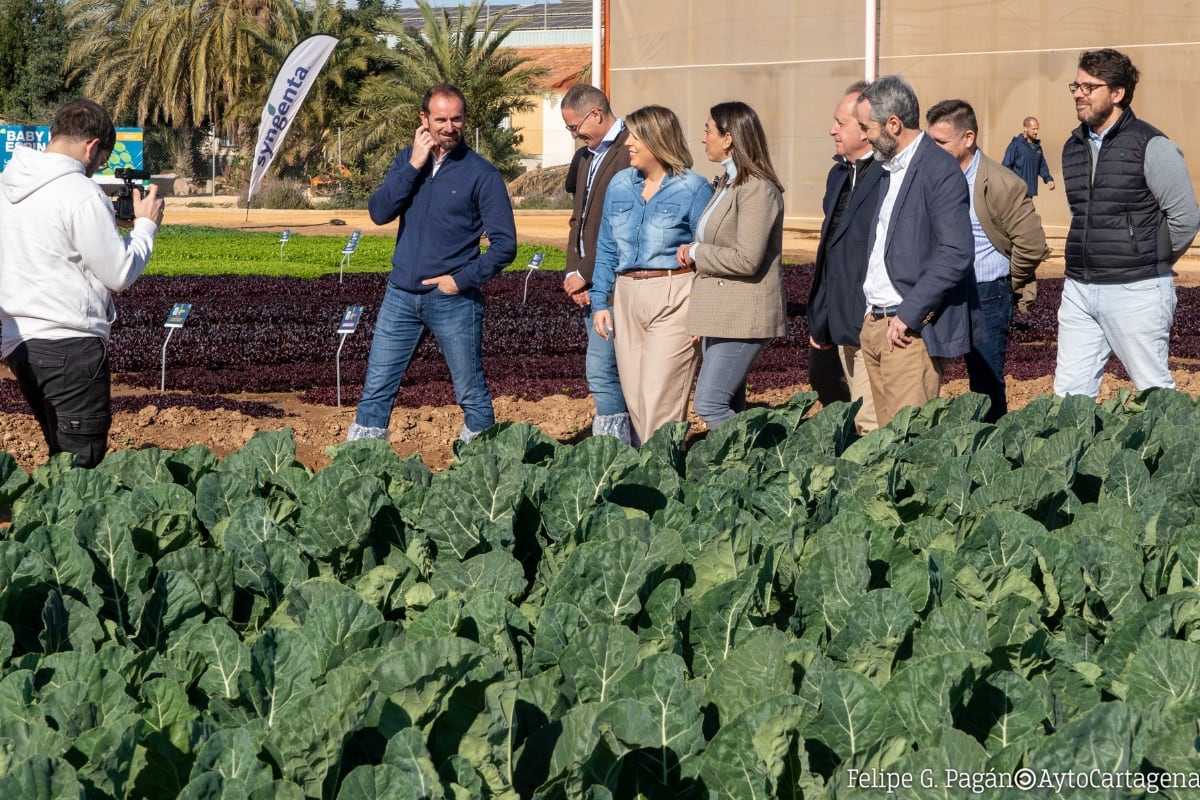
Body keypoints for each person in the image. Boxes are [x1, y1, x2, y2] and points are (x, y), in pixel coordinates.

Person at [348, 84, 517, 444]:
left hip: (452, 300)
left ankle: (483, 467)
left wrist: (460, 280)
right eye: (440, 118)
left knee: (471, 390)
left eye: (456, 119)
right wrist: (413, 165)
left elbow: (505, 245)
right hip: (400, 297)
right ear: (424, 119)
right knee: (376, 389)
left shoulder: (482, 174)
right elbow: (379, 212)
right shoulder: (406, 162)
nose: (449, 126)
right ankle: (359, 464)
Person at [0, 98, 164, 468]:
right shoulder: (79, 192)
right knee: (80, 468)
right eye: (101, 160)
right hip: (70, 348)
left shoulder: (6, 185)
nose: (96, 169)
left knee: (61, 462)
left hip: (19, 343)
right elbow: (119, 274)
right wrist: (146, 227)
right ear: (93, 146)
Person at [1055, 48, 1200, 398]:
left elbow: (1185, 218)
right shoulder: (1071, 147)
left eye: (1089, 86)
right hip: (1079, 288)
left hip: (1136, 290)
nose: (1078, 93)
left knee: (1154, 391)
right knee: (1069, 395)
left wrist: (1149, 257)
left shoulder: (1152, 145)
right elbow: (1084, 215)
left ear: (1117, 93)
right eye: (1075, 85)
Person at [853, 75, 976, 428]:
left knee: (908, 444)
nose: (863, 135)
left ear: (893, 124)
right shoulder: (886, 169)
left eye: (867, 127)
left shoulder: (939, 169)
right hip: (875, 323)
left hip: (907, 332)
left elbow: (956, 252)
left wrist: (909, 314)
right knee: (881, 443)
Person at [589, 105, 713, 444]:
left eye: (636, 136)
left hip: (674, 295)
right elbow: (607, 248)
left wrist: (702, 314)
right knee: (637, 402)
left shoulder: (693, 188)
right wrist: (600, 301)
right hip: (627, 297)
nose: (628, 142)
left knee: (660, 401)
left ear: (658, 141)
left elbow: (708, 255)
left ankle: (662, 479)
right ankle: (654, 477)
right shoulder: (619, 185)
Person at [926, 99, 1050, 422]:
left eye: (941, 142)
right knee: (924, 373)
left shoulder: (1000, 183)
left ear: (968, 138)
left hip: (987, 295)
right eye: (930, 141)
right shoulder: (932, 178)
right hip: (943, 291)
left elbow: (1032, 244)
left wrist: (1014, 279)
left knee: (985, 380)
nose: (932, 149)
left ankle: (993, 447)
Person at [677, 101, 786, 428]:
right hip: (722, 315)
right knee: (730, 404)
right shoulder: (728, 183)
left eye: (708, 130)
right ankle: (742, 474)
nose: (702, 138)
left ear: (729, 138)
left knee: (710, 404)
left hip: (742, 315)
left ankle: (761, 462)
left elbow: (747, 258)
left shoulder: (756, 189)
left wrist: (697, 253)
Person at [807, 80, 886, 432]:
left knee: (870, 421)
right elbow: (831, 254)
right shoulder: (838, 175)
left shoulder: (887, 176)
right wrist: (821, 316)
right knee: (853, 415)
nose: (832, 130)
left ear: (867, 130)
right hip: (841, 320)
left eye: (841, 123)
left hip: (872, 320)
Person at [560, 84, 634, 444]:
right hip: (592, 280)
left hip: (617, 281)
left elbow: (623, 228)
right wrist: (575, 271)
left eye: (575, 127)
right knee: (606, 367)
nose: (574, 136)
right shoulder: (587, 157)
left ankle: (615, 445)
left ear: (597, 115)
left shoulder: (631, 152)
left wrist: (589, 276)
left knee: (603, 369)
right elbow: (580, 218)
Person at [1002, 116, 1056, 198]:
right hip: (1016, 193)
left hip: (1030, 193)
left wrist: (1048, 179)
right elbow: (1005, 167)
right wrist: (1011, 185)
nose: (1036, 132)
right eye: (1033, 129)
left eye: (1037, 129)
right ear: (1025, 128)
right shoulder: (1015, 145)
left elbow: (1042, 166)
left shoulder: (1037, 148)